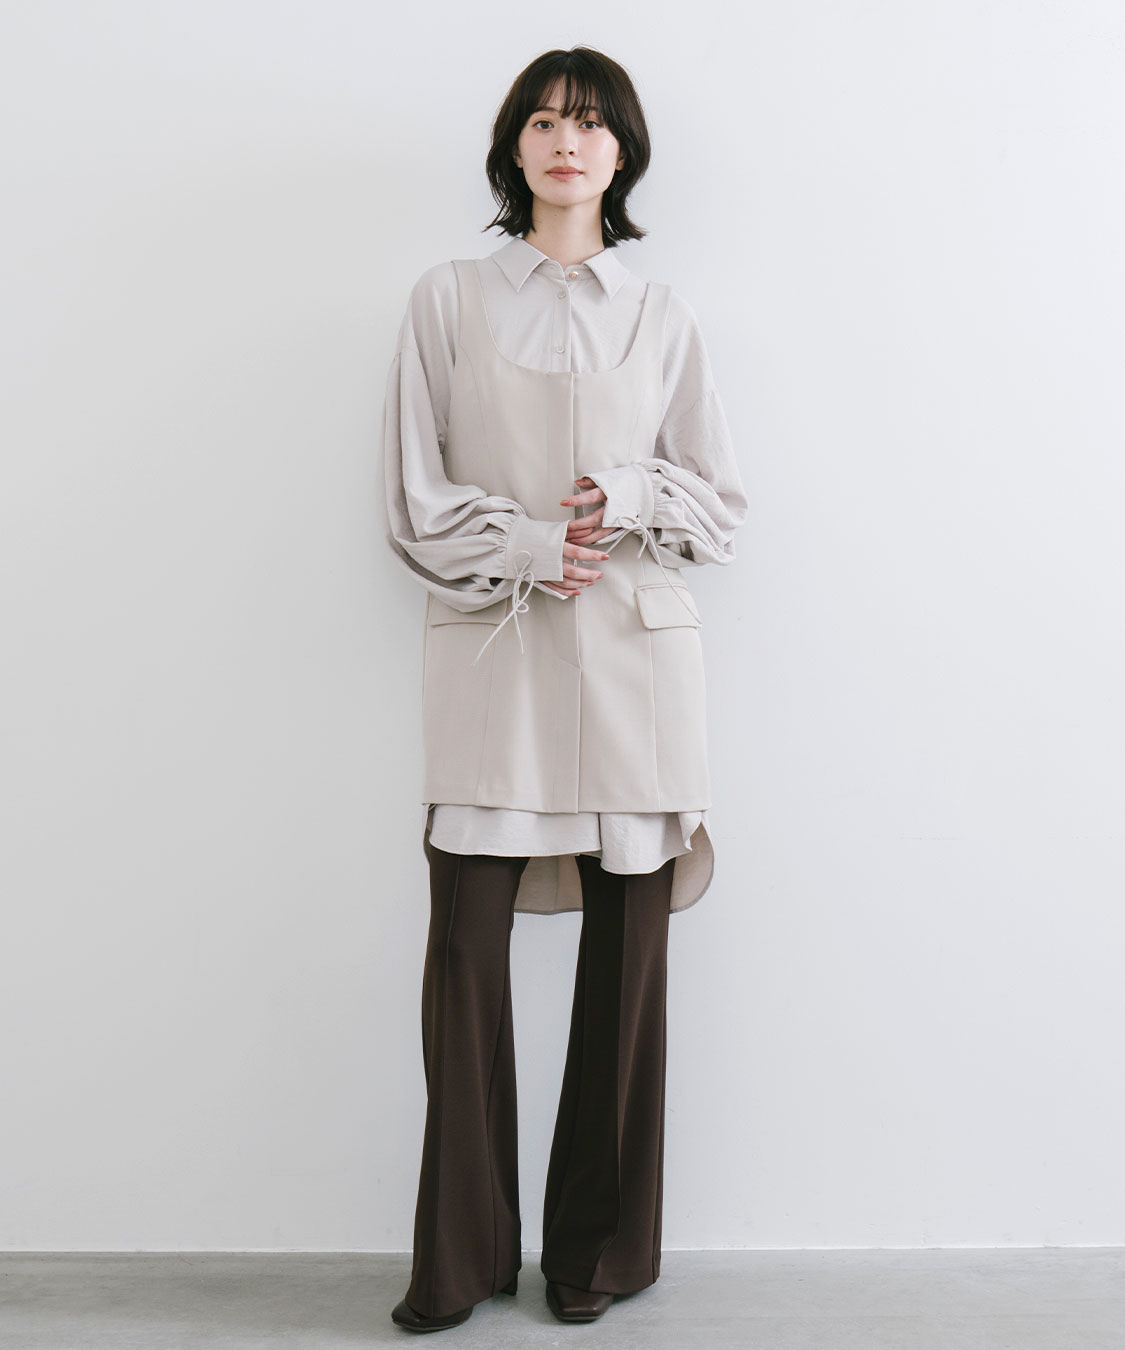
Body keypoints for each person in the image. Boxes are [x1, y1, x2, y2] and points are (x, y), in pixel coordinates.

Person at [378, 45, 748, 1333]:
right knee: (465, 953)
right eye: (543, 121)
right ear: (514, 146)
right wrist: (527, 543)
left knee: (628, 965)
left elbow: (720, 503)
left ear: (622, 153)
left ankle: (599, 1253)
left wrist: (633, 492)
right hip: (497, 648)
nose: (566, 142)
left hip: (640, 665)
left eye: (590, 125)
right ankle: (463, 1254)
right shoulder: (447, 300)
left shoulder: (665, 316)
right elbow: (412, 496)